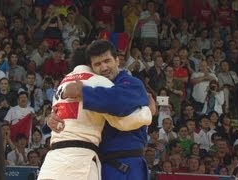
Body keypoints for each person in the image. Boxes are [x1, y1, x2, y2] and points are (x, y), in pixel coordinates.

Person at [44, 40, 156, 180]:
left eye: (107, 61)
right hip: (97, 161)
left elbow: (117, 102)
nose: (103, 67)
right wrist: (52, 117)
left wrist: (84, 93)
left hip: (126, 162)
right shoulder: (96, 85)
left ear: (117, 60)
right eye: (97, 64)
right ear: (91, 67)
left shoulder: (131, 83)